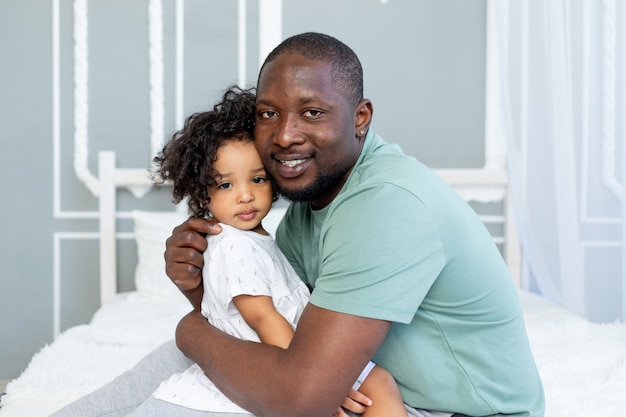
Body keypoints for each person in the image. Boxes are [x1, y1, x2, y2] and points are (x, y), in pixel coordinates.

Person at [51, 32, 544, 417]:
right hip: (364, 390)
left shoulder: (387, 206)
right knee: (185, 369)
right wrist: (200, 290)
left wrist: (190, 329)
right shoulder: (305, 209)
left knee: (193, 359)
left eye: (312, 112)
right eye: (269, 114)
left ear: (360, 118)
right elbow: (274, 319)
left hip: (454, 411)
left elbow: (299, 398)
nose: (285, 136)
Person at [149, 86, 407, 417]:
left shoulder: (262, 239)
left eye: (257, 179)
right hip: (279, 364)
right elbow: (262, 317)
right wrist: (316, 383)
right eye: (226, 185)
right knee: (376, 386)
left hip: (305, 351)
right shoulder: (232, 245)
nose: (245, 196)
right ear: (202, 192)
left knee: (380, 383)